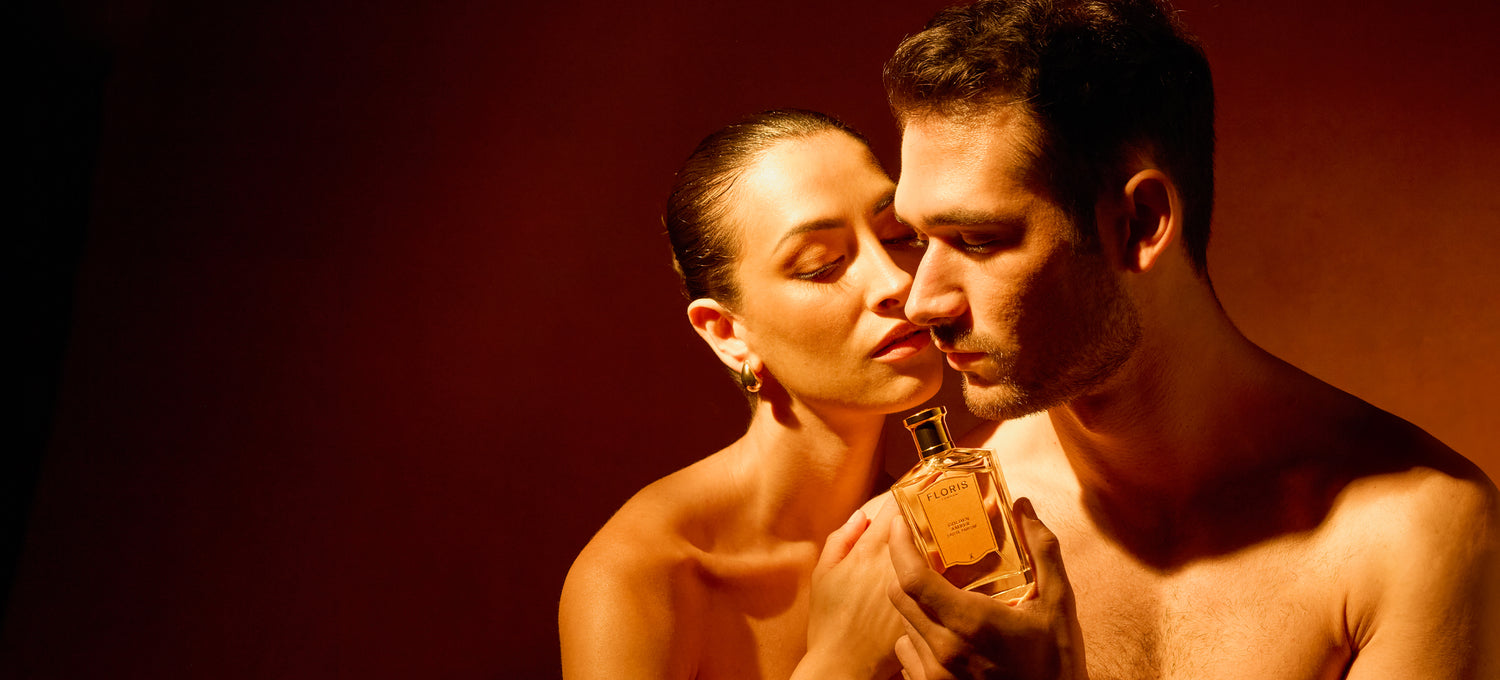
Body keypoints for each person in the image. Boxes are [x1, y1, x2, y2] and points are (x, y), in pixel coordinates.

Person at [875, 1, 1500, 678]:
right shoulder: (923, 543)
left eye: (977, 240)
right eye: (916, 237)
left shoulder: (1413, 532)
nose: (922, 300)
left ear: (1140, 224)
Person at [559, 109, 939, 679]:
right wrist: (842, 663)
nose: (896, 282)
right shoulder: (642, 573)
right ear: (728, 333)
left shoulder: (943, 529)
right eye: (823, 265)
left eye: (899, 236)